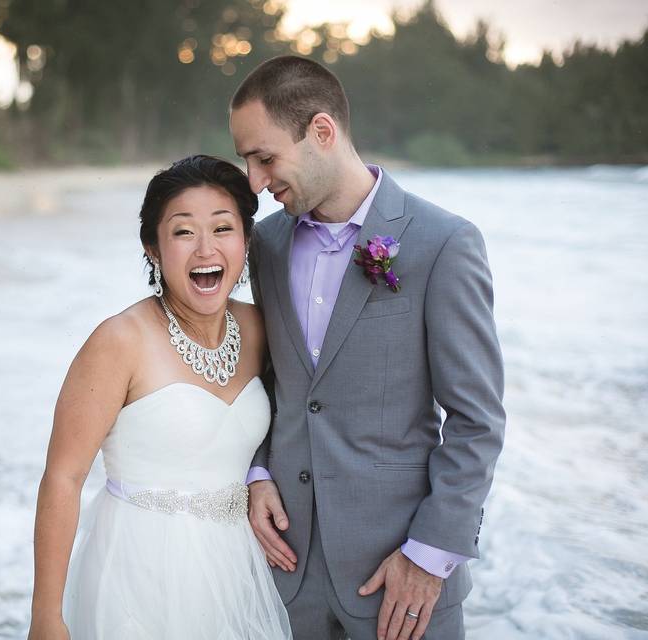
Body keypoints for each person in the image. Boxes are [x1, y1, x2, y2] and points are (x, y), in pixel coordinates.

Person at [229, 56, 505, 640]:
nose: (254, 182)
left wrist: (430, 557)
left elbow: (477, 421)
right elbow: (267, 382)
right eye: (245, 161)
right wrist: (256, 472)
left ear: (322, 132)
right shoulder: (268, 244)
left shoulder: (443, 243)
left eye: (265, 158)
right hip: (285, 575)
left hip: (402, 584)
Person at [27, 155, 292, 640]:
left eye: (222, 228)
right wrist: (46, 617)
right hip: (138, 570)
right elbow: (63, 478)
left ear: (246, 241)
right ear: (154, 247)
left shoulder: (258, 328)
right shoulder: (118, 341)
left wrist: (259, 478)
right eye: (183, 232)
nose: (205, 248)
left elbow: (288, 422)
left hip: (236, 567)